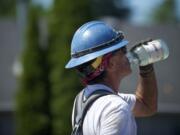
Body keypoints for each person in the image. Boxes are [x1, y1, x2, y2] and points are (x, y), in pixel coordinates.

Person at [65, 21, 158, 135]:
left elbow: (147, 105)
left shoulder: (82, 99)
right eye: (123, 50)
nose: (127, 53)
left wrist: (146, 66)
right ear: (111, 64)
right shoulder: (116, 108)